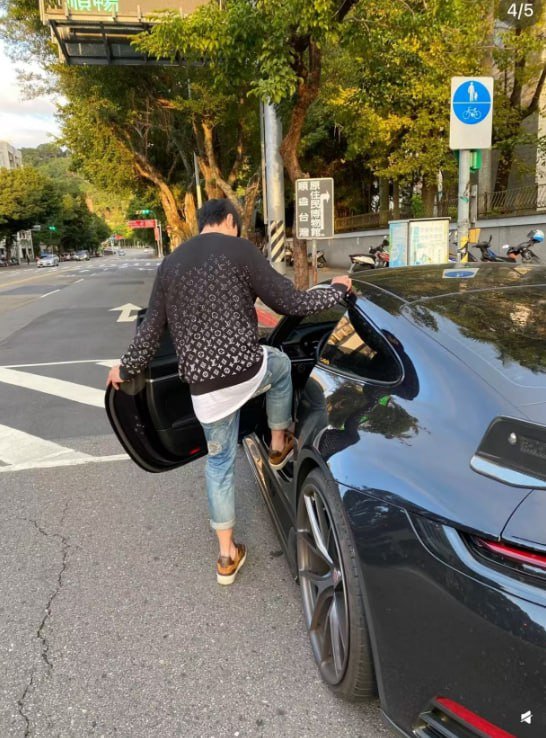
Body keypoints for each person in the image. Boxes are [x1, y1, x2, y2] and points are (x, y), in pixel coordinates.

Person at [107, 199, 352, 585]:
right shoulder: (239, 250)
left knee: (219, 465)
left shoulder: (171, 264)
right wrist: (335, 291)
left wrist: (125, 368)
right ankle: (278, 444)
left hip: (205, 390)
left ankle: (226, 556)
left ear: (202, 224)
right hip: (247, 370)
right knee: (281, 365)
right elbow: (290, 302)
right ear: (229, 221)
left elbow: (151, 330)